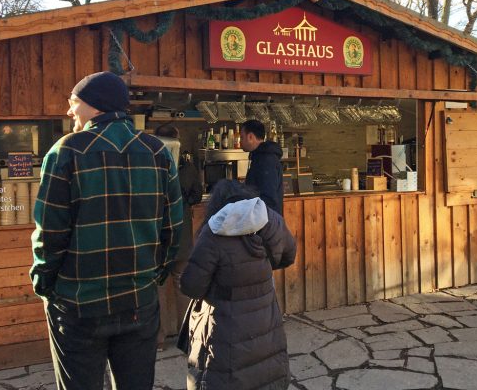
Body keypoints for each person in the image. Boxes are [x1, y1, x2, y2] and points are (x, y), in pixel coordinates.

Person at [30, 71, 184, 390]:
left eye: (74, 102)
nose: (69, 110)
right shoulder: (157, 152)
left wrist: (45, 284)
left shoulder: (66, 151)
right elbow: (172, 229)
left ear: (95, 105)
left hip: (78, 303)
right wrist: (152, 277)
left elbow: (49, 235)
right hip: (139, 300)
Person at [178, 179, 296, 390]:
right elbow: (288, 255)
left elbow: (191, 286)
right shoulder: (270, 219)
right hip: (265, 322)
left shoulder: (212, 231)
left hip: (223, 332)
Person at [154, 124, 203, 348]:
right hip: (181, 233)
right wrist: (183, 202)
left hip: (157, 235)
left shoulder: (150, 164)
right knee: (182, 284)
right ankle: (188, 336)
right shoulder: (188, 166)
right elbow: (197, 195)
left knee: (158, 288)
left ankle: (159, 338)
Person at [240, 119, 284, 214]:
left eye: (242, 137)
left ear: (250, 137)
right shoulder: (259, 157)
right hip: (263, 218)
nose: (240, 141)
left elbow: (268, 198)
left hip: (266, 219)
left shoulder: (265, 160)